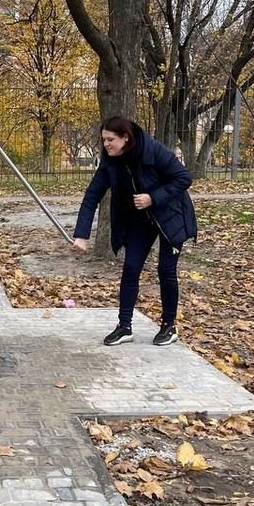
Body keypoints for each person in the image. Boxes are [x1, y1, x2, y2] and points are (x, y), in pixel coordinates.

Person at [72, 116, 197, 347]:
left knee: (165, 270)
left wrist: (153, 198)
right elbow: (92, 195)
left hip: (170, 214)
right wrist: (81, 234)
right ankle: (125, 326)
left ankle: (169, 326)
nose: (106, 144)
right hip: (139, 219)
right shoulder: (110, 161)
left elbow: (184, 178)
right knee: (131, 268)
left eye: (111, 139)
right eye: (104, 140)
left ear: (125, 138)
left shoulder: (154, 151)